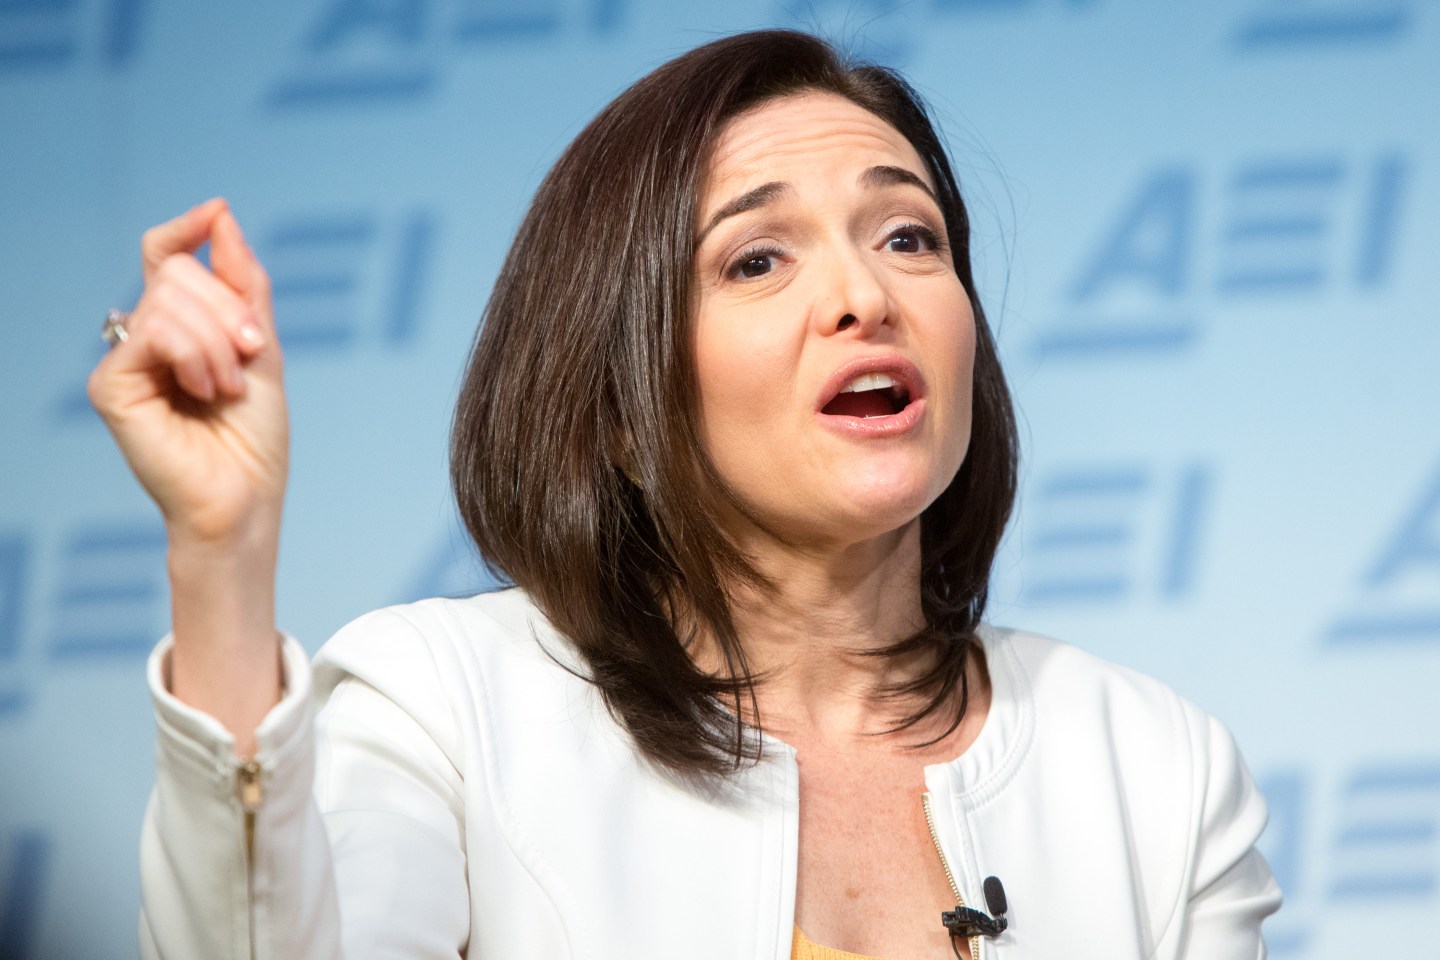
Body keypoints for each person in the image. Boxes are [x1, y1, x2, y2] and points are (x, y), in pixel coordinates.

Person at [89, 30, 1281, 960]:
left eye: (910, 237)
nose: (866, 294)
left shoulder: (1151, 767)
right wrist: (223, 555)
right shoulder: (443, 709)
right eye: (757, 259)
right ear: (614, 400)